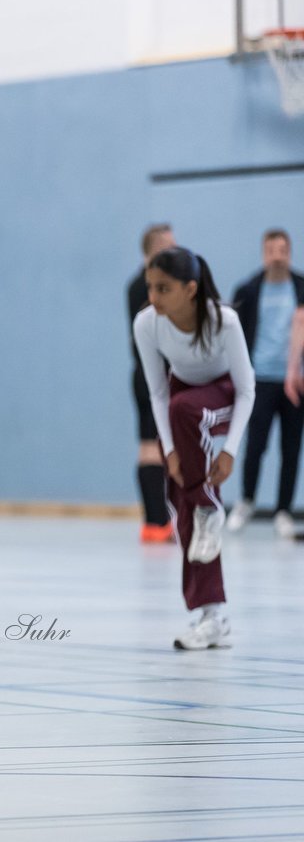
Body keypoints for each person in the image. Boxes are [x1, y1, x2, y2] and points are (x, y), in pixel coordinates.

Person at [133, 247, 254, 650]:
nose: (153, 297)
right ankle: (210, 615)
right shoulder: (147, 324)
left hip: (223, 398)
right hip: (182, 405)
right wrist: (169, 452)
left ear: (190, 289)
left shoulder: (225, 321)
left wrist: (229, 451)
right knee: (181, 500)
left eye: (163, 288)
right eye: (150, 287)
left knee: (186, 411)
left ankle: (208, 505)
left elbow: (246, 390)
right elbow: (156, 392)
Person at [226, 229, 304, 537]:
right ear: (263, 253)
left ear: (289, 252)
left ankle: (283, 510)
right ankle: (246, 501)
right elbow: (233, 336)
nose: (277, 255)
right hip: (259, 380)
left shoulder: (300, 288)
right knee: (255, 445)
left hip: (294, 381)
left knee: (291, 447)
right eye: (271, 249)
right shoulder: (248, 289)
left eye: (282, 249)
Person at [128, 224, 178, 543]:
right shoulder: (146, 286)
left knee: (154, 446)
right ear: (155, 248)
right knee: (152, 448)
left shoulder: (142, 283)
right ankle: (156, 521)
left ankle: (156, 520)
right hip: (152, 375)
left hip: (154, 374)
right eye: (170, 246)